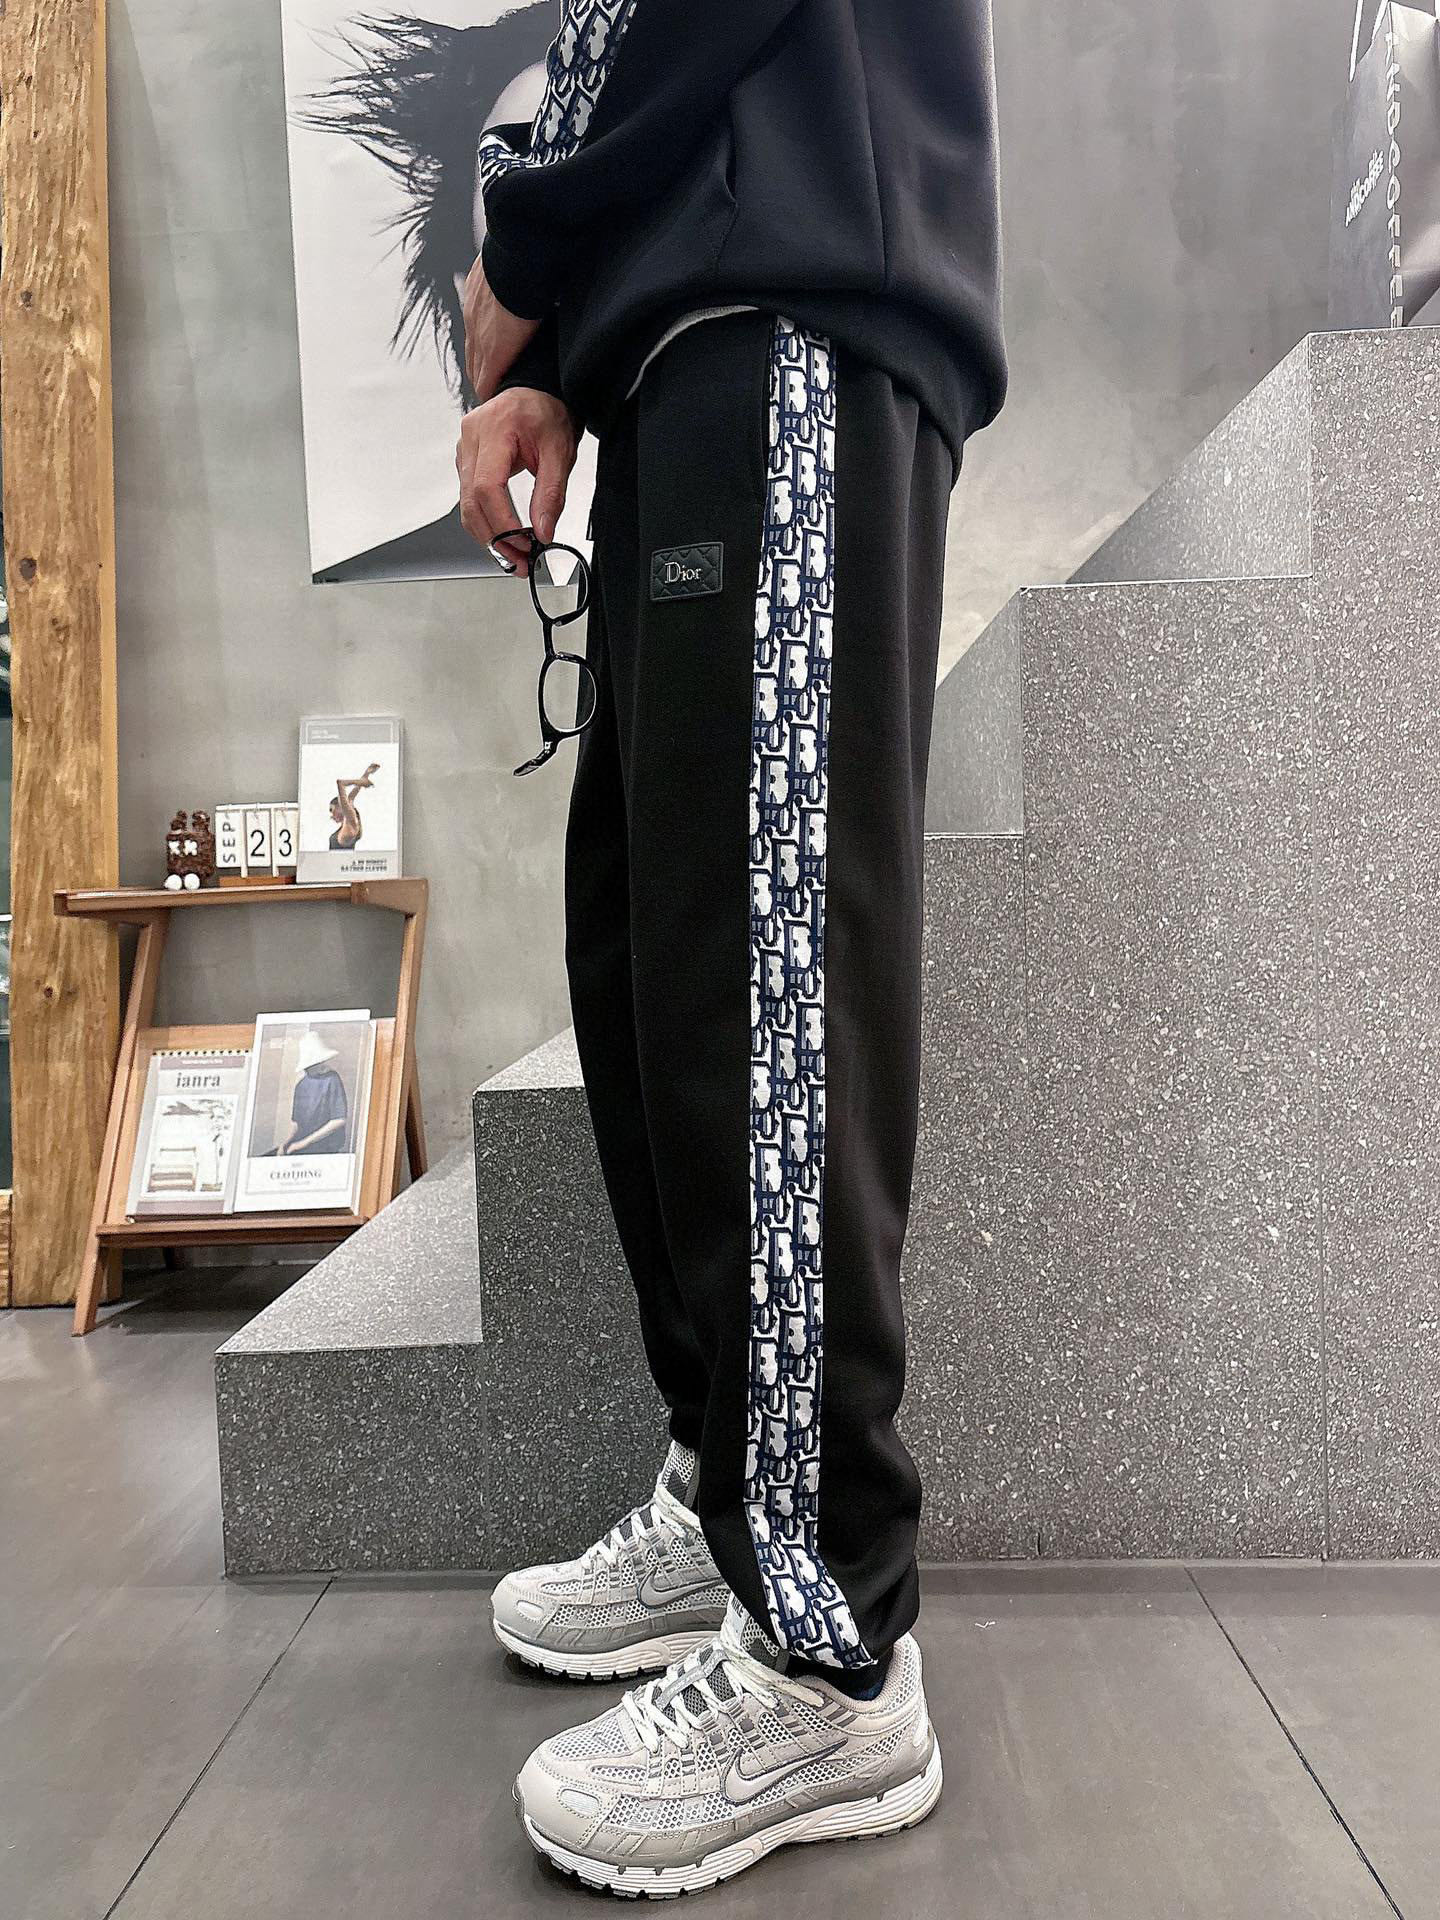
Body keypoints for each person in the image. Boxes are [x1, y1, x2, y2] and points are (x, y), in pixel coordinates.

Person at [455, 0, 1007, 1894]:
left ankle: (827, 1638)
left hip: (797, 305)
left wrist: (525, 251)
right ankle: (729, 1494)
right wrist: (569, 349)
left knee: (769, 991)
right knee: (657, 966)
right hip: (691, 336)